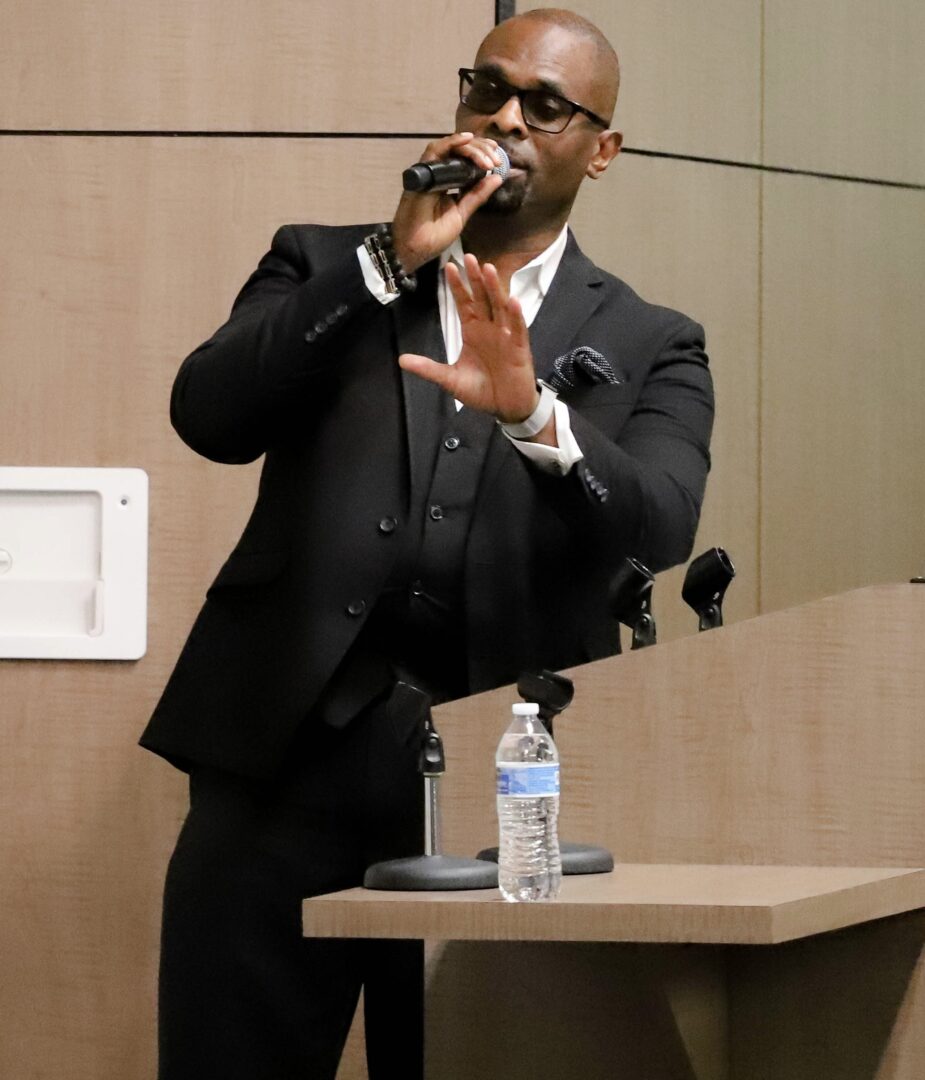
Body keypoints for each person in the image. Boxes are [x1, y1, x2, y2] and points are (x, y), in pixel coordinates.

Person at [140, 8, 714, 1079]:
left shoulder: (651, 340)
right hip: (277, 760)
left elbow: (659, 527)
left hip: (505, 790)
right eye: (486, 89)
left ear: (602, 150)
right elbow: (207, 416)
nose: (504, 119)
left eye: (545, 106)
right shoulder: (320, 263)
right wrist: (385, 260)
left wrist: (533, 416)